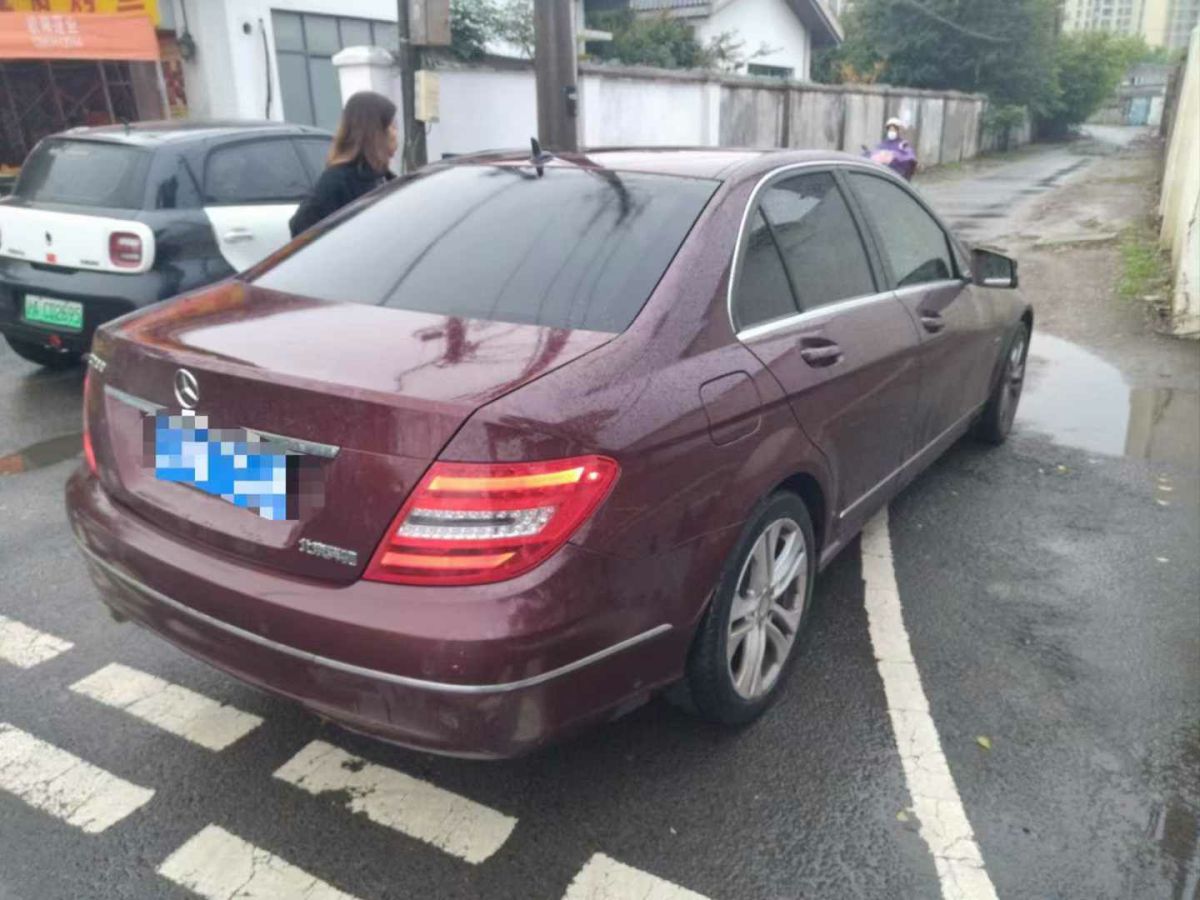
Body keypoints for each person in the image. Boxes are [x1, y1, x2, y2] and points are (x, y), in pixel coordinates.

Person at [289, 91, 399, 236]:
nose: (396, 132)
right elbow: (302, 224)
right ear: (376, 132)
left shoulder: (382, 177)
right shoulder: (339, 180)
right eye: (392, 125)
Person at [868, 117, 918, 181]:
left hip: (897, 178)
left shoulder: (903, 144)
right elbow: (874, 154)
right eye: (890, 130)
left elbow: (910, 158)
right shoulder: (882, 144)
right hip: (882, 176)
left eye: (893, 130)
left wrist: (894, 156)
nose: (891, 132)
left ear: (898, 131)